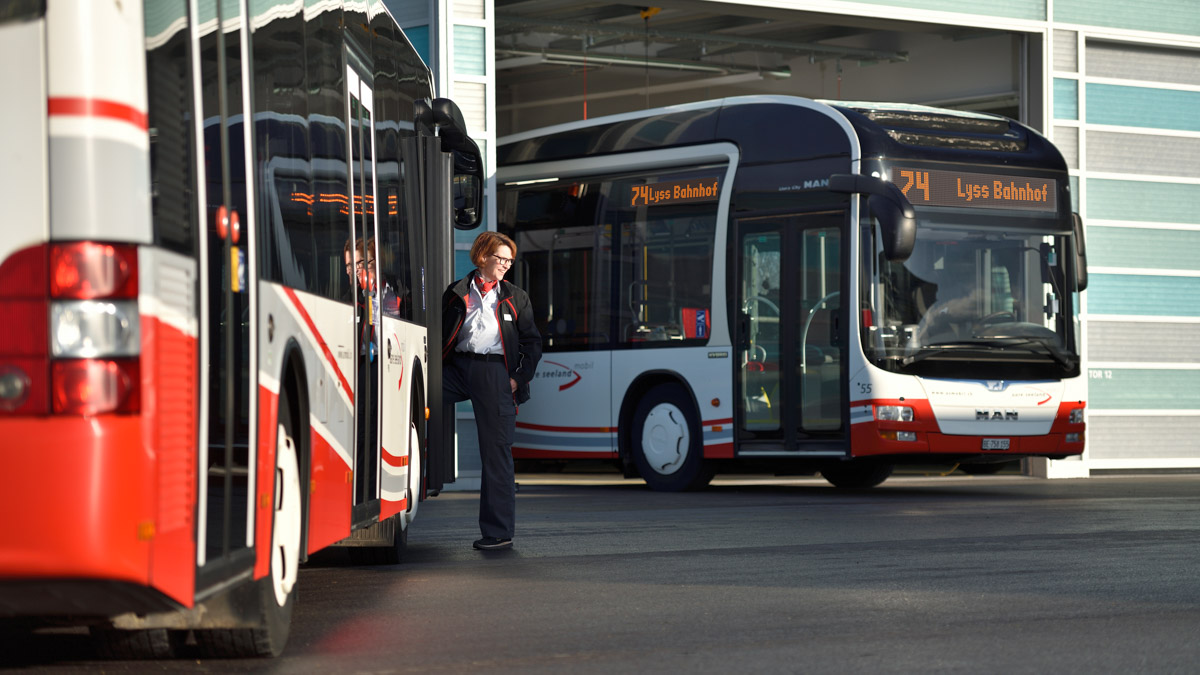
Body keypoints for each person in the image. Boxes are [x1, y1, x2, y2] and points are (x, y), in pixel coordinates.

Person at [442, 231, 541, 551]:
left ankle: (498, 531)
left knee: (496, 452)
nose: (506, 265)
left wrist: (517, 378)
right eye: (501, 259)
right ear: (482, 257)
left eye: (510, 261)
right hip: (456, 368)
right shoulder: (457, 292)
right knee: (415, 394)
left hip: (495, 373)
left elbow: (532, 343)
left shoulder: (515, 296)